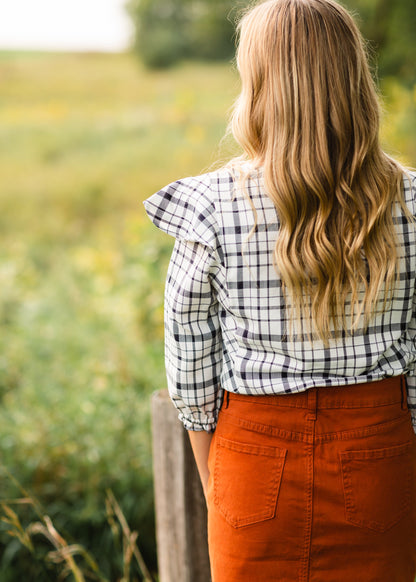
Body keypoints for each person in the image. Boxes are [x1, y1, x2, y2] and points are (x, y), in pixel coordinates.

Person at [143, 0, 416, 580]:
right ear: (353, 81)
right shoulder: (411, 202)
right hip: (381, 457)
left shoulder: (209, 206)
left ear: (261, 86)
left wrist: (219, 479)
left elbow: (191, 362)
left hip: (252, 456)